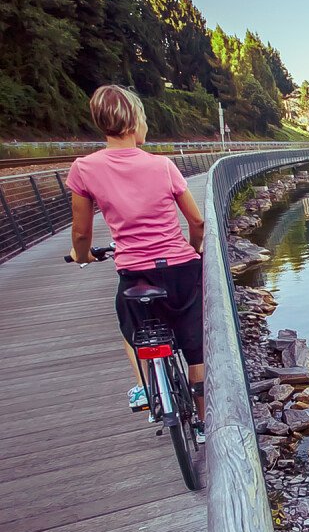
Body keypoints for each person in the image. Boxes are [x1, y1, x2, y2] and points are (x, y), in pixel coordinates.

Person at [67, 85, 207, 441]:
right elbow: (197, 222)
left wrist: (81, 258)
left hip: (135, 272)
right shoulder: (162, 165)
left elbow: (81, 233)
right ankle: (204, 424)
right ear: (134, 123)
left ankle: (146, 388)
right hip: (180, 268)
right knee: (194, 343)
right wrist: (194, 250)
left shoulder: (84, 169)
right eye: (143, 119)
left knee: (131, 330)